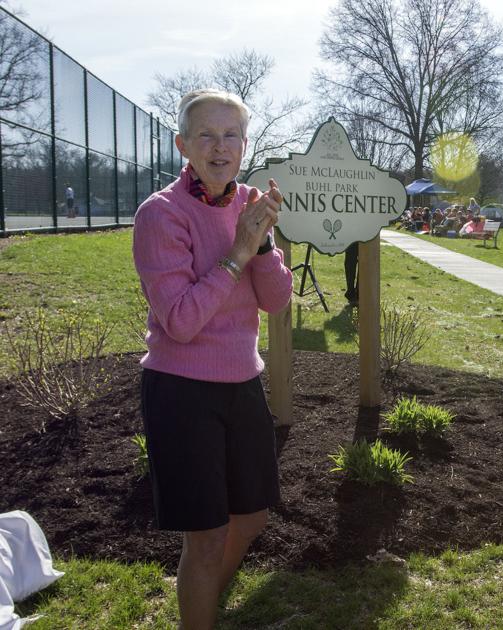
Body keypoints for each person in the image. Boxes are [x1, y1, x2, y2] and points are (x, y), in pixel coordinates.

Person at [132, 89, 293, 629]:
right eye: (205, 134)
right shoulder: (160, 214)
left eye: (231, 135)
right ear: (182, 144)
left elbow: (275, 301)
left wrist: (264, 245)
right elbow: (179, 321)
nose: (219, 147)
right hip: (181, 390)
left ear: (244, 146)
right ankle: (196, 612)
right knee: (205, 537)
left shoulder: (252, 205)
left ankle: (200, 602)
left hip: (243, 382)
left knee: (251, 517)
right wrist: (238, 253)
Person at [344, 242, 359, 306]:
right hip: (351, 237)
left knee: (364, 264)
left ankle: (359, 293)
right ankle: (351, 293)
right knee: (350, 264)